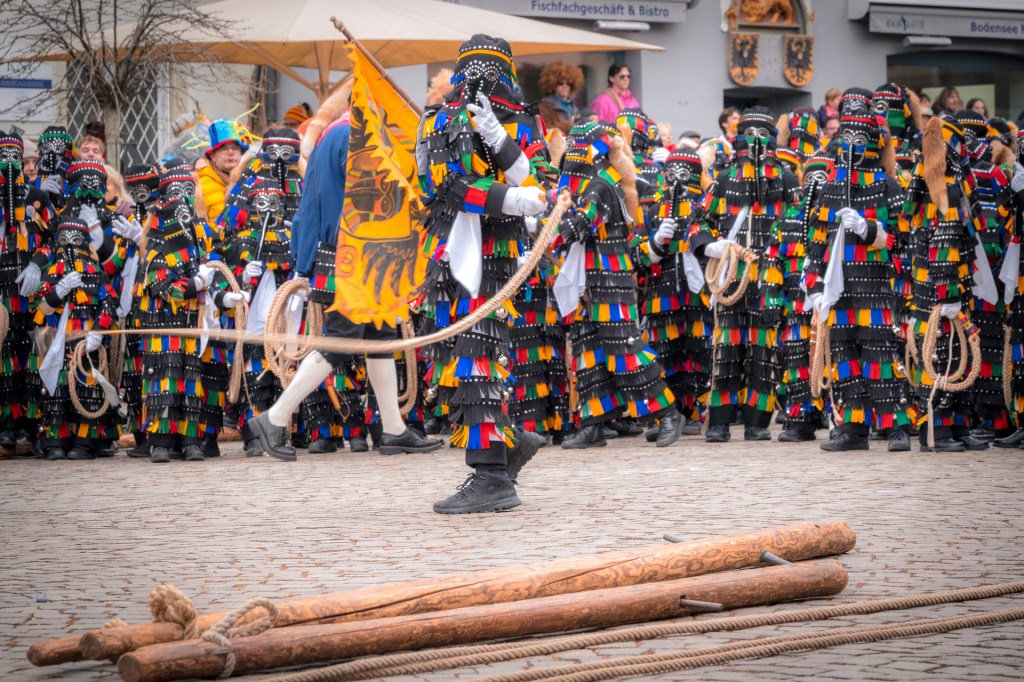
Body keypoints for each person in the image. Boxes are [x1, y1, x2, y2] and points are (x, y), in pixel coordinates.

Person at [247, 103, 442, 465]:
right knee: (339, 342)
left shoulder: (335, 134)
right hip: (354, 251)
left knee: (379, 337)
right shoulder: (356, 137)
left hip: (349, 250)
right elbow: (374, 196)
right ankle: (273, 418)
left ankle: (394, 429)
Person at [414, 34, 548, 513]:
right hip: (448, 256)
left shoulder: (523, 119)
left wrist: (500, 139)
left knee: (478, 358)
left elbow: (540, 182)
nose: (482, 79)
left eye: (493, 69)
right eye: (474, 68)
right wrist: (509, 198)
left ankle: (492, 477)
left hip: (498, 258)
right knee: (453, 365)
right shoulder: (439, 119)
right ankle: (509, 445)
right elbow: (443, 184)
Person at [804, 88, 912, 452]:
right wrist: (813, 286)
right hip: (839, 286)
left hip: (875, 284)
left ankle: (896, 425)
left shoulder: (887, 183)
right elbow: (817, 239)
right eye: (845, 137)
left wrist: (869, 231)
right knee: (845, 355)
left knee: (879, 353)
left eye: (859, 138)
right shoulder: (831, 185)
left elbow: (904, 238)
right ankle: (853, 428)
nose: (851, 145)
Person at [691, 106, 800, 443]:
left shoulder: (786, 178)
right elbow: (698, 222)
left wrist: (780, 255)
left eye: (761, 134)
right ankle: (720, 422)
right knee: (725, 349)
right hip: (730, 273)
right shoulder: (723, 179)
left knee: (763, 350)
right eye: (748, 134)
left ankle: (757, 423)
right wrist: (710, 245)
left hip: (769, 274)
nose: (755, 141)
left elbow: (798, 225)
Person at [195, 119, 247, 225]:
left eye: (235, 148)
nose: (231, 152)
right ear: (213, 156)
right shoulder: (201, 186)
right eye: (224, 149)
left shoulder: (250, 182)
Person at [538, 61, 584, 133]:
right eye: (560, 83)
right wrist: (569, 125)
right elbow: (545, 129)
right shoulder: (544, 107)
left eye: (568, 83)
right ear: (553, 85)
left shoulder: (573, 106)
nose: (565, 86)